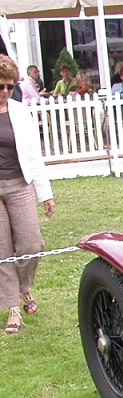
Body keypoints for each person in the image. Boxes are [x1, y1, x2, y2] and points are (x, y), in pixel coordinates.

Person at [0, 56, 55, 336]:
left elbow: (34, 155)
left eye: (10, 87)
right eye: (0, 86)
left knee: (32, 244)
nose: (6, 92)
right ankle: (12, 309)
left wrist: (46, 194)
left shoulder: (20, 113)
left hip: (20, 185)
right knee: (3, 250)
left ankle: (25, 289)